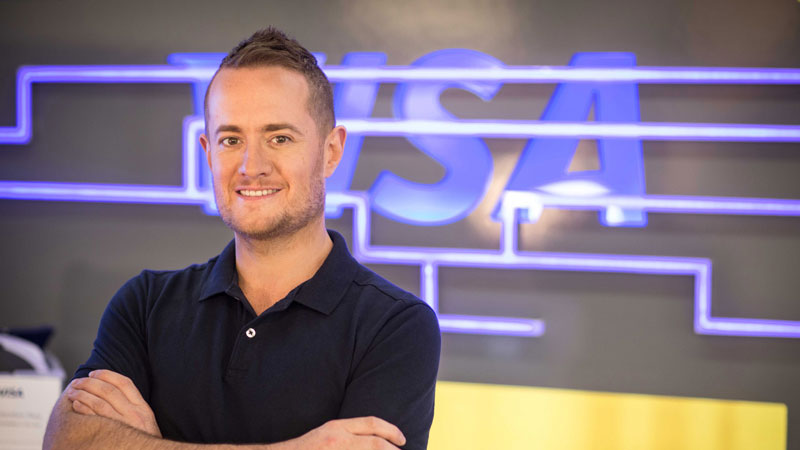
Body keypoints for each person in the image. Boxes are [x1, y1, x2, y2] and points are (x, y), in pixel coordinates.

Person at [43, 27, 441, 450]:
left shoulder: (396, 326)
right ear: (208, 152)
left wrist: (144, 442)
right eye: (231, 140)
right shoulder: (145, 306)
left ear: (331, 152)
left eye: (280, 138)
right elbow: (67, 441)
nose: (252, 166)